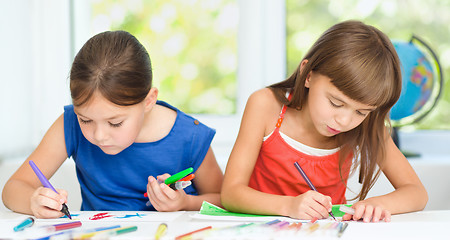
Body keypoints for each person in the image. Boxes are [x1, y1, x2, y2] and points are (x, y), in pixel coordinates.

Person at [221, 20, 428, 223]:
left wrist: (378, 204)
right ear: (308, 74)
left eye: (361, 111)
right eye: (336, 103)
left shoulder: (367, 125)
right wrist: (289, 206)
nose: (345, 120)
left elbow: (417, 193)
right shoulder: (265, 106)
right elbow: (231, 193)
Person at [2, 30, 223, 218]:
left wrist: (185, 203)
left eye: (115, 123)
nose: (99, 135)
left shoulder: (190, 136)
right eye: (86, 120)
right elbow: (13, 188)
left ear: (148, 100)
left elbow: (224, 200)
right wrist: (33, 201)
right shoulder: (69, 124)